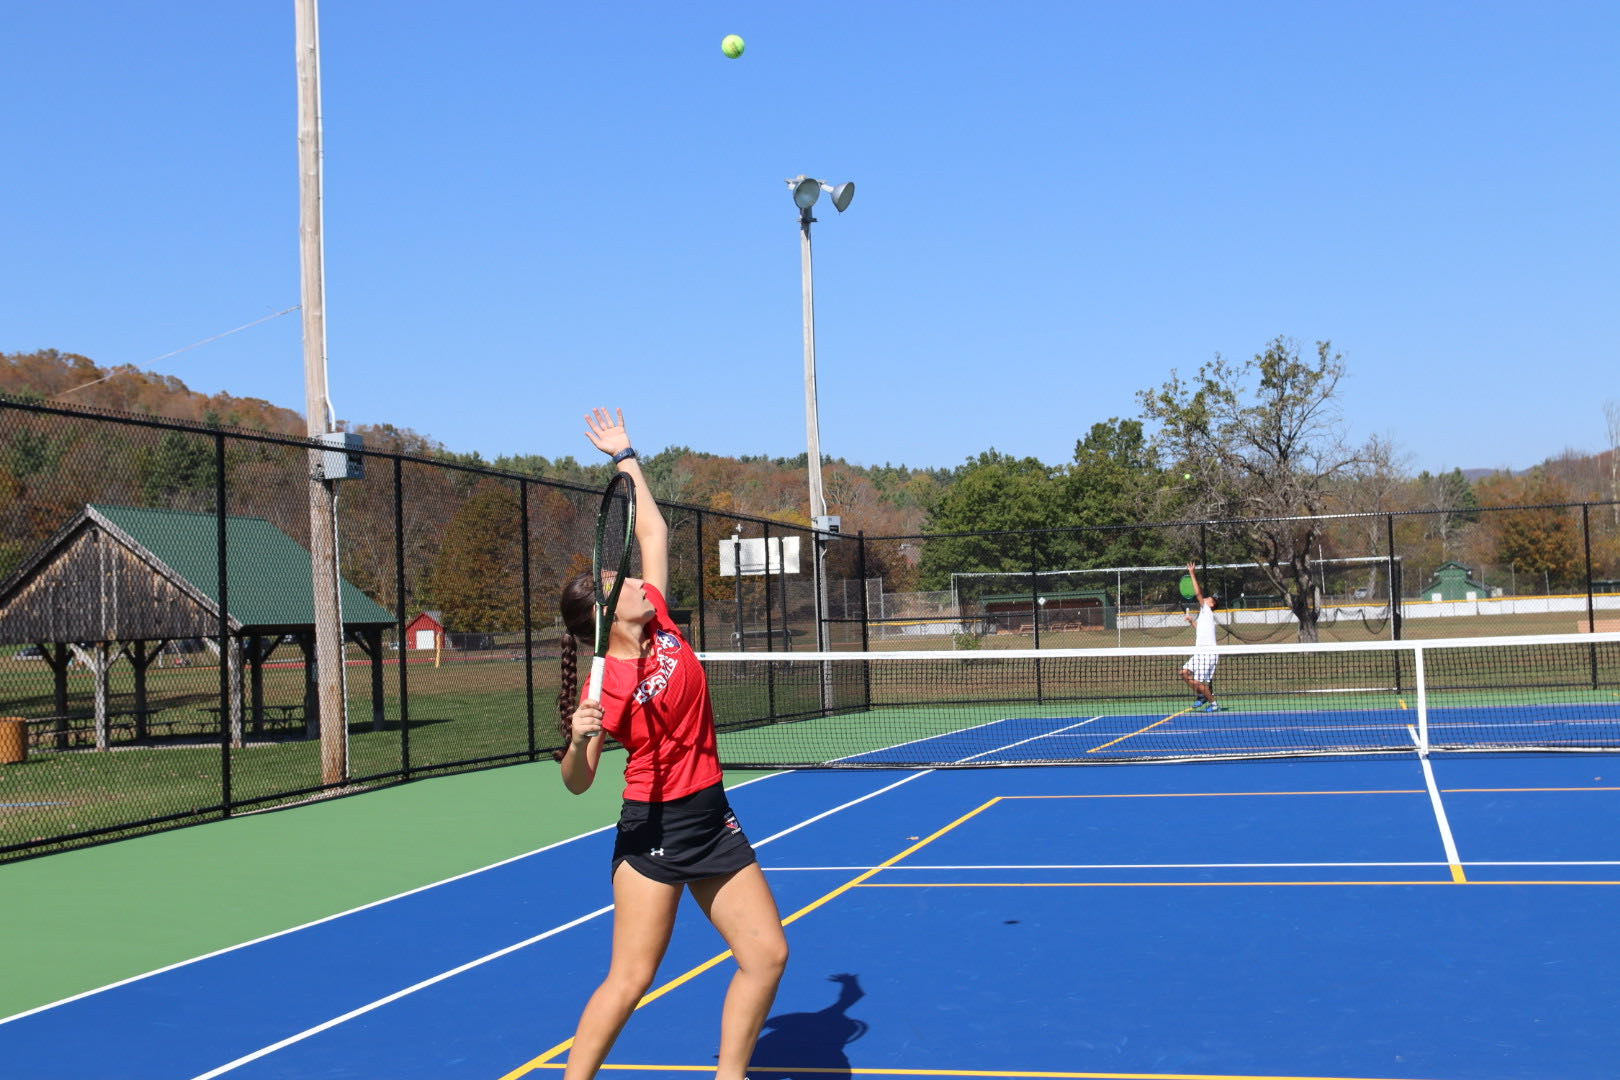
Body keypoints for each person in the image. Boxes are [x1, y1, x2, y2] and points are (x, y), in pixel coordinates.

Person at [555, 408, 788, 1080]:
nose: (637, 582)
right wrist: (579, 741)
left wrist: (625, 456)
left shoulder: (659, 621)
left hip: (711, 814)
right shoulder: (609, 685)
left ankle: (730, 1076)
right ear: (602, 621)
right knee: (630, 980)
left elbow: (652, 528)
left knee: (767, 956)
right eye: (622, 585)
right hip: (653, 830)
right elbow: (578, 782)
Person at [1178, 561, 1222, 712]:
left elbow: (1198, 593)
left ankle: (1214, 704)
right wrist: (1192, 622)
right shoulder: (1204, 615)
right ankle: (1202, 695)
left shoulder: (1207, 609)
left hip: (1208, 653)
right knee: (1183, 673)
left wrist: (1192, 573)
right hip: (1200, 652)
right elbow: (1200, 629)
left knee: (1197, 680)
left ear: (1211, 605)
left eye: (1212, 599)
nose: (1210, 597)